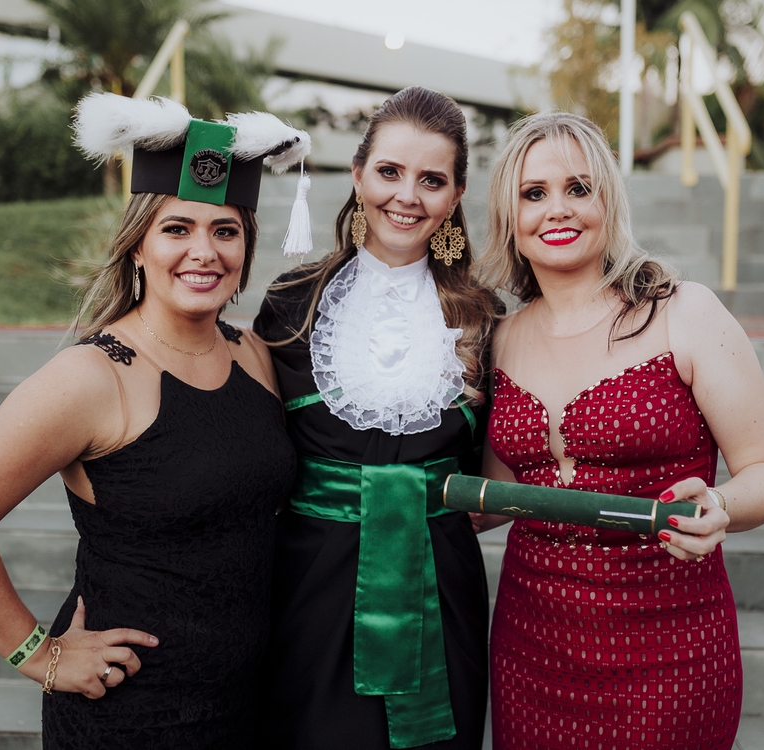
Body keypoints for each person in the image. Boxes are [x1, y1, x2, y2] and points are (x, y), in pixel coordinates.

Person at [0, 94, 311, 750]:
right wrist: (40, 655)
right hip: (131, 715)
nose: (203, 252)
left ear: (245, 248)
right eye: (177, 229)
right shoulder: (89, 378)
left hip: (249, 703)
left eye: (225, 231)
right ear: (138, 247)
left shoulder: (255, 355)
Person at [476, 112, 764, 750]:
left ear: (609, 200)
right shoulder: (501, 338)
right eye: (533, 194)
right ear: (509, 216)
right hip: (530, 650)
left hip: (668, 652)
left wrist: (720, 505)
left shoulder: (685, 313)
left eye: (578, 188)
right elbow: (495, 496)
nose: (557, 210)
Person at [254, 86, 502, 750]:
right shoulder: (290, 306)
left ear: (454, 197)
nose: (407, 195)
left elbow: (493, 470)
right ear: (359, 174)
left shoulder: (483, 317)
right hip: (310, 579)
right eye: (390, 171)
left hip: (438, 582)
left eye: (432, 179)